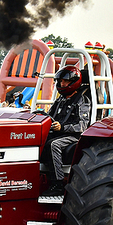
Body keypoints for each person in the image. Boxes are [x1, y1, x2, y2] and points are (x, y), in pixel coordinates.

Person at [40, 66, 91, 197]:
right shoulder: (60, 100)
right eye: (60, 81)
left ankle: (57, 184)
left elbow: (83, 125)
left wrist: (62, 127)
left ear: (73, 82)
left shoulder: (82, 101)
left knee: (53, 145)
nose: (61, 84)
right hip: (59, 133)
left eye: (65, 81)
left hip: (75, 136)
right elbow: (49, 115)